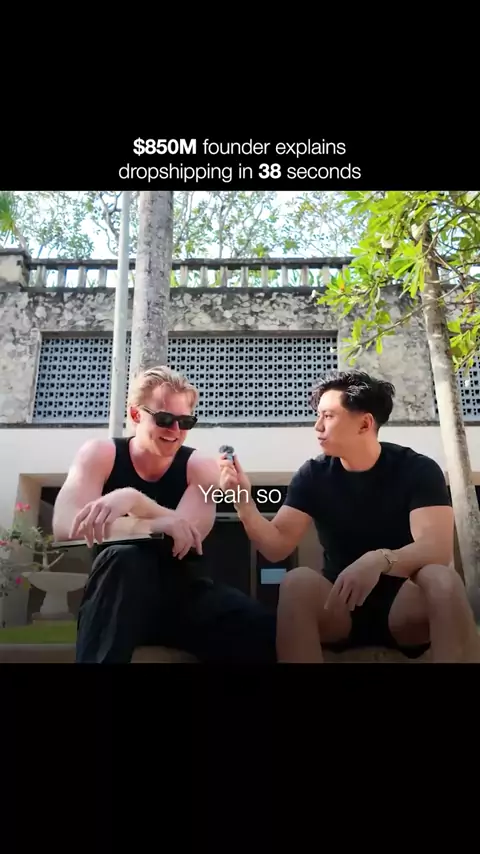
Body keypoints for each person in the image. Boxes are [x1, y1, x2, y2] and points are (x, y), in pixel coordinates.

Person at [219, 370, 480, 663]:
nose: (317, 426)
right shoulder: (313, 475)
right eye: (318, 416)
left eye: (328, 416)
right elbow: (276, 546)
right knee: (297, 581)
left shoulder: (417, 469)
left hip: (405, 607)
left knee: (441, 577)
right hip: (339, 605)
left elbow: (436, 548)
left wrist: (378, 560)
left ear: (365, 423)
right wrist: (243, 502)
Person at [53, 366, 276, 664]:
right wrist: (156, 522)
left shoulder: (199, 467)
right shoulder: (100, 454)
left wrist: (134, 500)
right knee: (123, 557)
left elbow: (185, 536)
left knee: (263, 628)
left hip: (183, 598)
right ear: (135, 415)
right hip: (119, 597)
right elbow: (66, 526)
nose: (175, 431)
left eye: (185, 422)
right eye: (164, 420)